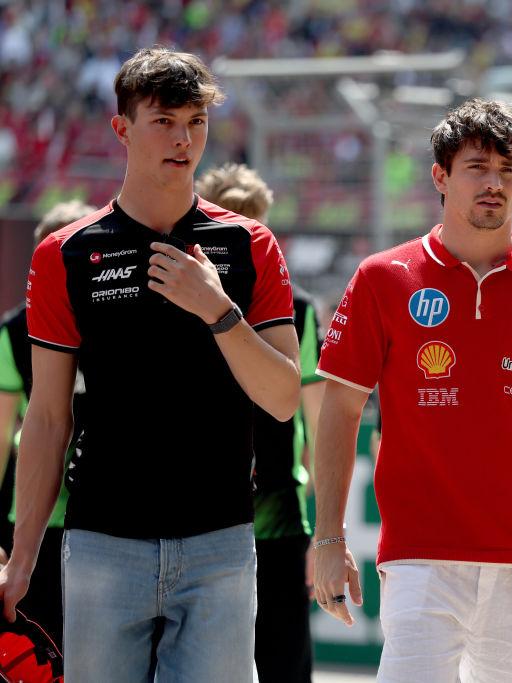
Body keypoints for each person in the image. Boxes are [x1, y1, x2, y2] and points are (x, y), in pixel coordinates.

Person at [0, 47, 300, 681]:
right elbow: (47, 418)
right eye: (163, 120)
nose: (183, 139)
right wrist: (22, 557)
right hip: (103, 544)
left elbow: (282, 397)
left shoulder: (249, 244)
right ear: (122, 128)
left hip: (221, 543)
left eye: (196, 121)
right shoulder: (65, 254)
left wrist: (218, 310)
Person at [312, 98, 512, 682]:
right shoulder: (382, 277)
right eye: (477, 167)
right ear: (440, 176)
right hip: (420, 562)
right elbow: (340, 407)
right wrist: (329, 537)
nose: (494, 184)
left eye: (508, 171)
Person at [195, 162, 326, 683]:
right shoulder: (297, 307)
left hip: (221, 522)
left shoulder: (295, 308)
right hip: (248, 523)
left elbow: (318, 426)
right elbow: (318, 428)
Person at [0, 200, 97, 649]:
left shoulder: (115, 316)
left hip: (97, 517)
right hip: (45, 519)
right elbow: (3, 432)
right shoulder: (12, 331)